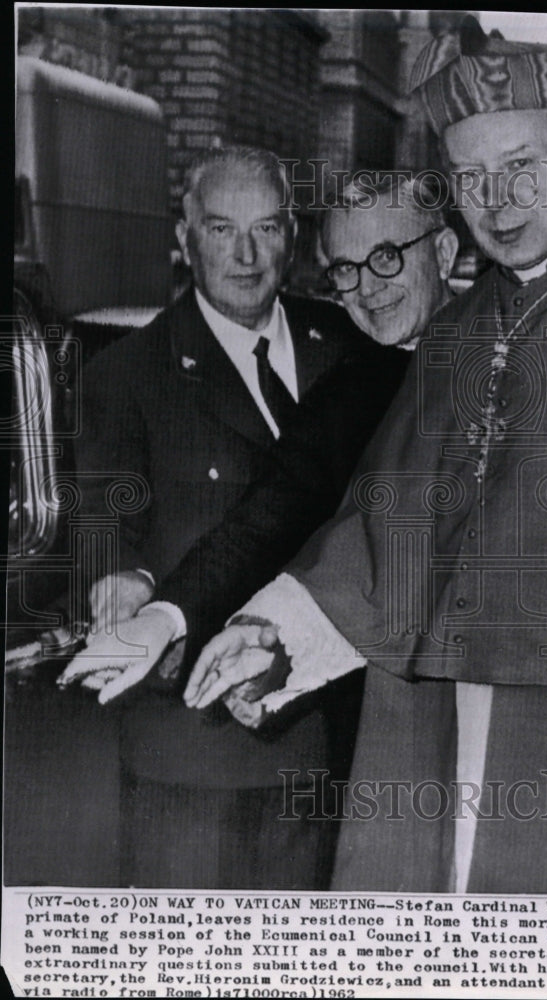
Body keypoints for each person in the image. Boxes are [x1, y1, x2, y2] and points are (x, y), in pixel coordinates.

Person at [184, 19, 547, 894]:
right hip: (442, 738)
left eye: (521, 167)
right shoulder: (460, 332)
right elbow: (388, 528)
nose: (499, 201)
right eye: (473, 178)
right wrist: (274, 633)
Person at [59, 167, 459, 888]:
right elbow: (252, 515)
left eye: (266, 229)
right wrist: (142, 595)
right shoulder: (128, 372)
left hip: (371, 735)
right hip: (209, 740)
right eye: (221, 230)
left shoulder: (357, 338)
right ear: (185, 240)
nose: (245, 256)